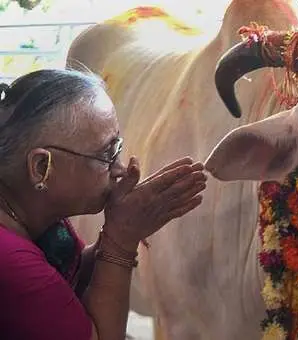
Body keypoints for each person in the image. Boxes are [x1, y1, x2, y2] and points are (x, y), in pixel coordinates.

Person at [0, 69, 207, 340]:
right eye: (107, 154)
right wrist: (121, 240)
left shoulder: (30, 207)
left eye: (117, 148)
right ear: (41, 168)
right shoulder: (10, 260)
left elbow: (70, 276)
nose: (120, 169)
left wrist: (121, 227)